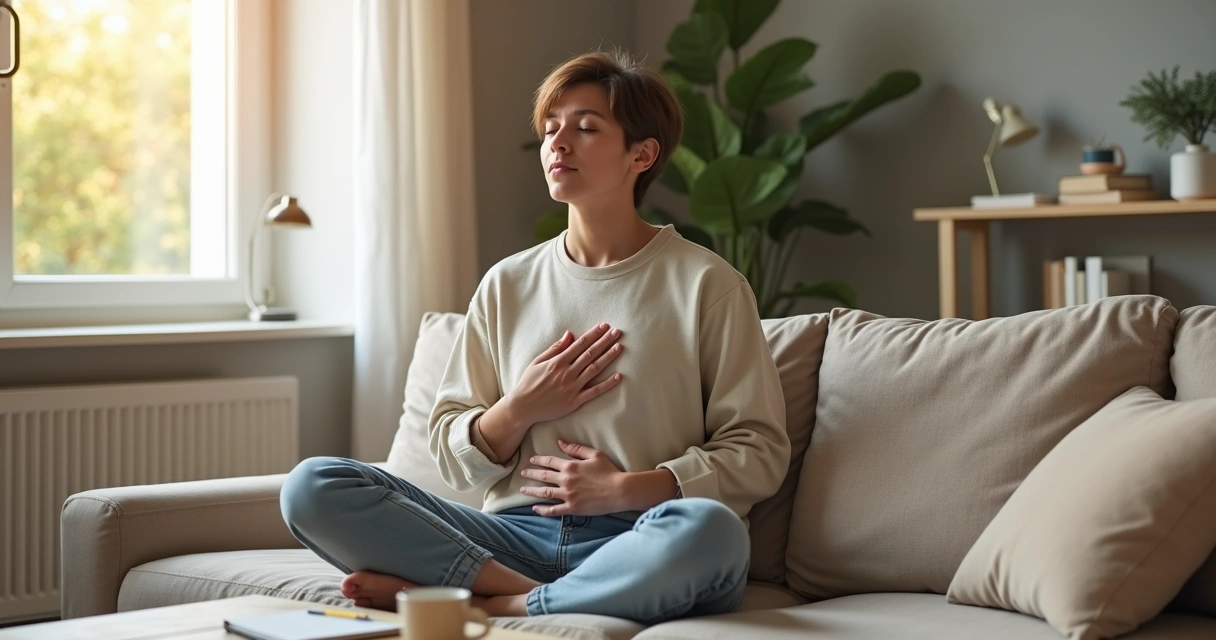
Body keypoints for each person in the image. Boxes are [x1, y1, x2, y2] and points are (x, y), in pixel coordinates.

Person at [279, 48, 790, 625]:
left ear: (641, 155)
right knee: (312, 486)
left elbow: (759, 451)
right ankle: (516, 588)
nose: (558, 143)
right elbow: (450, 453)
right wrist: (519, 408)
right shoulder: (507, 284)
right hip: (511, 537)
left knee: (712, 533)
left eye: (585, 128)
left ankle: (501, 604)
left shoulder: (707, 284)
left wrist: (622, 489)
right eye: (551, 129)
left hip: (641, 538)